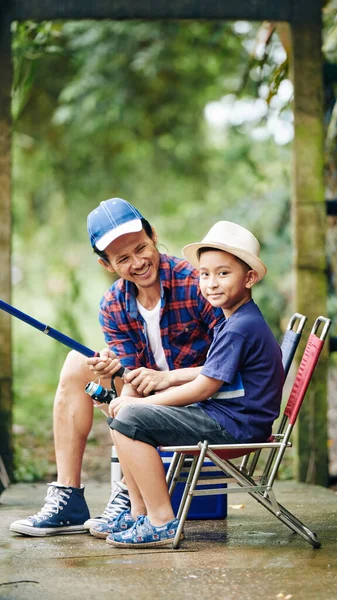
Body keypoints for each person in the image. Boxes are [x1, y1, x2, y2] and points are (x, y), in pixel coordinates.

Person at [9, 198, 222, 537]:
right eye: (123, 258)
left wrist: (140, 385)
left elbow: (227, 361)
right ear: (106, 264)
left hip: (202, 395)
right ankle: (70, 497)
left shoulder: (196, 282)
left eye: (141, 248)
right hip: (152, 394)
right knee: (78, 363)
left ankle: (130, 492)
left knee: (122, 390)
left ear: (153, 235)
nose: (138, 263)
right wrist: (115, 370)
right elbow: (134, 378)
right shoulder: (112, 305)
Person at [99, 220, 284, 548]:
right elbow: (210, 373)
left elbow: (204, 387)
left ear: (250, 278)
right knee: (123, 415)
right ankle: (142, 513)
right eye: (204, 274)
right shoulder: (237, 320)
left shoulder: (240, 327)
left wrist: (141, 403)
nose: (211, 284)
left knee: (128, 419)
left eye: (223, 274)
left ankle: (162, 522)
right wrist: (164, 379)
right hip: (235, 418)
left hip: (234, 425)